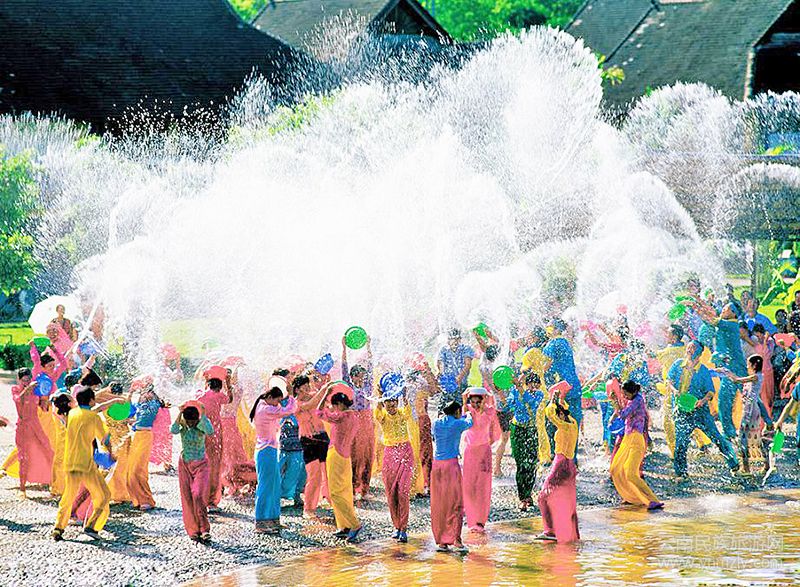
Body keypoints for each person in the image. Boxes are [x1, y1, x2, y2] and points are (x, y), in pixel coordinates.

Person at [667, 341, 740, 478]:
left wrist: (702, 401)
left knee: (716, 438)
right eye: (688, 347)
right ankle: (681, 474)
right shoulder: (677, 364)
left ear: (699, 354)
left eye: (693, 348)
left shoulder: (703, 370)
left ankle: (734, 465)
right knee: (681, 443)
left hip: (700, 412)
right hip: (681, 411)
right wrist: (674, 390)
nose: (689, 349)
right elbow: (669, 381)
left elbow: (710, 392)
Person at [51, 386, 113, 541]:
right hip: (86, 465)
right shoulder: (94, 417)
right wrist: (112, 453)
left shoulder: (72, 414)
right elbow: (105, 440)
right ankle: (92, 526)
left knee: (68, 497)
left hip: (70, 463)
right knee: (104, 495)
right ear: (91, 400)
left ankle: (58, 528)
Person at [250, 376, 297, 534]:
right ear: (270, 397)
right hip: (265, 451)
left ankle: (273, 519)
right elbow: (289, 410)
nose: (277, 404)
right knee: (265, 486)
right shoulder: (265, 409)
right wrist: (291, 395)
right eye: (277, 401)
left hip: (269, 450)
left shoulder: (264, 405)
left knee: (274, 485)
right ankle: (261, 522)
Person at [318, 384, 362, 542]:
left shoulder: (341, 416)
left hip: (335, 454)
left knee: (335, 493)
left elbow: (319, 412)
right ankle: (344, 526)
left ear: (340, 404)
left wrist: (325, 394)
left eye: (335, 405)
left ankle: (354, 524)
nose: (334, 408)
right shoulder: (354, 417)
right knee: (345, 491)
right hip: (346, 457)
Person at [609, 381, 662, 509]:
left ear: (633, 392)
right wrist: (616, 402)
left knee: (631, 473)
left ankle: (653, 500)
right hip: (628, 438)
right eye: (623, 393)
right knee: (616, 468)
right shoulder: (633, 399)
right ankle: (632, 497)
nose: (624, 396)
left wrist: (615, 402)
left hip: (636, 440)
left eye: (625, 394)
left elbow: (623, 414)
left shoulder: (637, 400)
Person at [536, 391, 580, 543]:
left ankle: (550, 531)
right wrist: (557, 400)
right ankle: (572, 533)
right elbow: (557, 411)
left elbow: (550, 414)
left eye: (558, 414)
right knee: (568, 501)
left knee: (543, 497)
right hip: (571, 465)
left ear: (561, 414)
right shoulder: (573, 423)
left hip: (560, 464)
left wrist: (552, 402)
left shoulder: (564, 426)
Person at [373, 388, 414, 543]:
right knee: (391, 492)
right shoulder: (382, 416)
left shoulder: (403, 413)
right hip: (390, 454)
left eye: (393, 403)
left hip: (405, 452)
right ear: (384, 405)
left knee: (403, 491)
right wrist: (380, 396)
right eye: (388, 404)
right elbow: (377, 410)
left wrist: (404, 394)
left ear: (397, 403)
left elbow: (407, 406)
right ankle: (396, 526)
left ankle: (404, 528)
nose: (391, 407)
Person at [431, 400, 472, 553]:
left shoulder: (436, 423)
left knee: (440, 503)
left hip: (436, 466)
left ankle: (442, 541)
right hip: (451, 466)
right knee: (456, 503)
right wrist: (468, 412)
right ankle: (457, 540)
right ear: (457, 412)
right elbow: (470, 422)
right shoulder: (457, 423)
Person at [171, 401, 215, 543]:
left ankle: (204, 529)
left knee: (198, 495)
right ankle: (194, 530)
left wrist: (203, 414)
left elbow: (210, 431)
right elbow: (173, 430)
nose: (190, 424)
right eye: (188, 421)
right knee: (188, 498)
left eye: (193, 421)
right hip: (185, 464)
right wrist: (179, 413)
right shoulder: (183, 426)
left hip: (201, 465)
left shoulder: (201, 425)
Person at [722, 355, 770, 474]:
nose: (747, 366)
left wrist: (726, 372)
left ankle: (746, 468)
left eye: (748, 364)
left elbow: (736, 380)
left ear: (754, 365)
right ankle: (766, 465)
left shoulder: (755, 377)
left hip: (751, 410)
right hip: (751, 409)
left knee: (742, 438)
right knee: (754, 437)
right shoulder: (756, 377)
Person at [542, 319, 583, 455]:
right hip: (574, 385)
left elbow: (546, 366)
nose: (547, 329)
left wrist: (533, 373)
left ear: (556, 329)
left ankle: (557, 455)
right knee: (573, 421)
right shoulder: (565, 342)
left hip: (560, 388)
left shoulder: (552, 344)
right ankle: (572, 457)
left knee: (554, 420)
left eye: (549, 327)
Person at [461, 386, 499, 533]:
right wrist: (465, 399)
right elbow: (464, 413)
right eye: (473, 402)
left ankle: (480, 521)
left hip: (484, 452)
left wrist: (486, 398)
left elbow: (491, 408)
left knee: (483, 486)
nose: (476, 405)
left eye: (478, 402)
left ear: (483, 400)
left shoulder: (489, 411)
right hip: (470, 452)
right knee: (469, 486)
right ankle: (471, 520)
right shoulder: (468, 410)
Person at [341, 335, 375, 501]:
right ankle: (353, 488)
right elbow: (344, 368)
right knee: (354, 454)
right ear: (352, 377)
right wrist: (344, 348)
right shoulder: (348, 386)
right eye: (358, 376)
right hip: (353, 421)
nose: (361, 378)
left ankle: (365, 488)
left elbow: (371, 365)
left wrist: (368, 346)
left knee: (368, 453)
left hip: (367, 421)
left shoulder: (368, 386)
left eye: (362, 375)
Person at [12, 367, 54, 497]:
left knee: (49, 451)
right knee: (24, 457)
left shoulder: (36, 390)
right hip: (23, 427)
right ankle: (22, 488)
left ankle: (52, 482)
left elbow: (43, 407)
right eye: (24, 380)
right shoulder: (16, 389)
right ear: (19, 380)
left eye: (28, 380)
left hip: (36, 426)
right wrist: (28, 389)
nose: (26, 382)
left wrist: (47, 399)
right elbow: (18, 400)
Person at [294, 375, 330, 521]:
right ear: (297, 389)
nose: (308, 388)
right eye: (304, 386)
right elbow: (309, 405)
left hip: (322, 437)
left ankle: (330, 499)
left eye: (308, 385)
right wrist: (324, 390)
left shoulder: (315, 394)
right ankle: (309, 508)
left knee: (328, 472)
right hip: (308, 440)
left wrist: (327, 387)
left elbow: (325, 402)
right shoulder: (295, 403)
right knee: (314, 474)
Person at [506, 371, 543, 511]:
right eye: (531, 384)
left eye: (536, 384)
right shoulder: (515, 391)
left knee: (532, 463)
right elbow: (509, 405)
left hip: (531, 430)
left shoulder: (539, 395)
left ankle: (528, 493)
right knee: (521, 464)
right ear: (527, 384)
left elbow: (529, 402)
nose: (534, 387)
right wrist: (503, 391)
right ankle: (523, 497)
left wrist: (519, 388)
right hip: (517, 429)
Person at [197, 366, 231, 510]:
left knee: (203, 463)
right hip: (215, 432)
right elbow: (229, 399)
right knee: (215, 465)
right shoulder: (219, 396)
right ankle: (211, 500)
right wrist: (228, 383)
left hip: (202, 432)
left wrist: (206, 379)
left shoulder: (200, 396)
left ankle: (200, 498)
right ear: (219, 387)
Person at [127, 377, 161, 510]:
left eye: (144, 391)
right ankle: (137, 499)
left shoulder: (154, 404)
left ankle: (146, 500)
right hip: (136, 436)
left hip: (146, 436)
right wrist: (130, 393)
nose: (141, 394)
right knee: (131, 469)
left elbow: (155, 406)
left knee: (139, 469)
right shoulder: (141, 404)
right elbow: (129, 410)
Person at [279, 379, 306, 508]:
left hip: (298, 441)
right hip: (284, 441)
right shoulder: (282, 401)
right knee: (280, 469)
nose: (307, 389)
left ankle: (296, 494)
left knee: (298, 469)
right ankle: (276, 495)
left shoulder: (305, 402)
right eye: (304, 387)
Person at [437, 329, 475, 402]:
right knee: (446, 404)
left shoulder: (466, 348)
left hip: (462, 383)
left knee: (461, 402)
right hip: (448, 383)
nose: (455, 341)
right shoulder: (444, 349)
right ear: (448, 340)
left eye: (457, 339)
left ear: (460, 339)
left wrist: (460, 377)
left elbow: (468, 364)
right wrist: (442, 373)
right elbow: (440, 362)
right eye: (453, 339)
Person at [752, 324, 776, 416]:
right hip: (757, 372)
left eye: (759, 336)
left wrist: (765, 341)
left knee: (768, 395)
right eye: (756, 336)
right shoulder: (754, 342)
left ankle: (768, 414)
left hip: (767, 371)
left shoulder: (770, 341)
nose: (758, 338)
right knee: (759, 394)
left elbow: (766, 355)